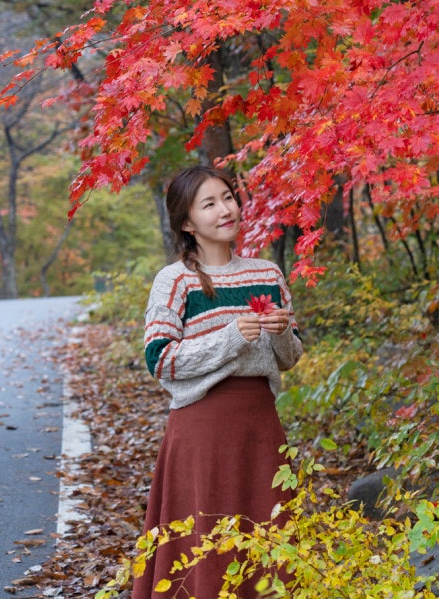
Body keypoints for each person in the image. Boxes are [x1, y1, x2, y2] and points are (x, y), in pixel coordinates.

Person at [131, 165, 303, 599]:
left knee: (270, 535)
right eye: (209, 204)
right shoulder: (175, 281)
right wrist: (230, 338)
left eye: (228, 197)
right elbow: (160, 361)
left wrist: (280, 330)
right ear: (188, 223)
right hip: (201, 431)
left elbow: (289, 359)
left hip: (260, 428)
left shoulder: (267, 273)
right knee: (205, 541)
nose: (226, 209)